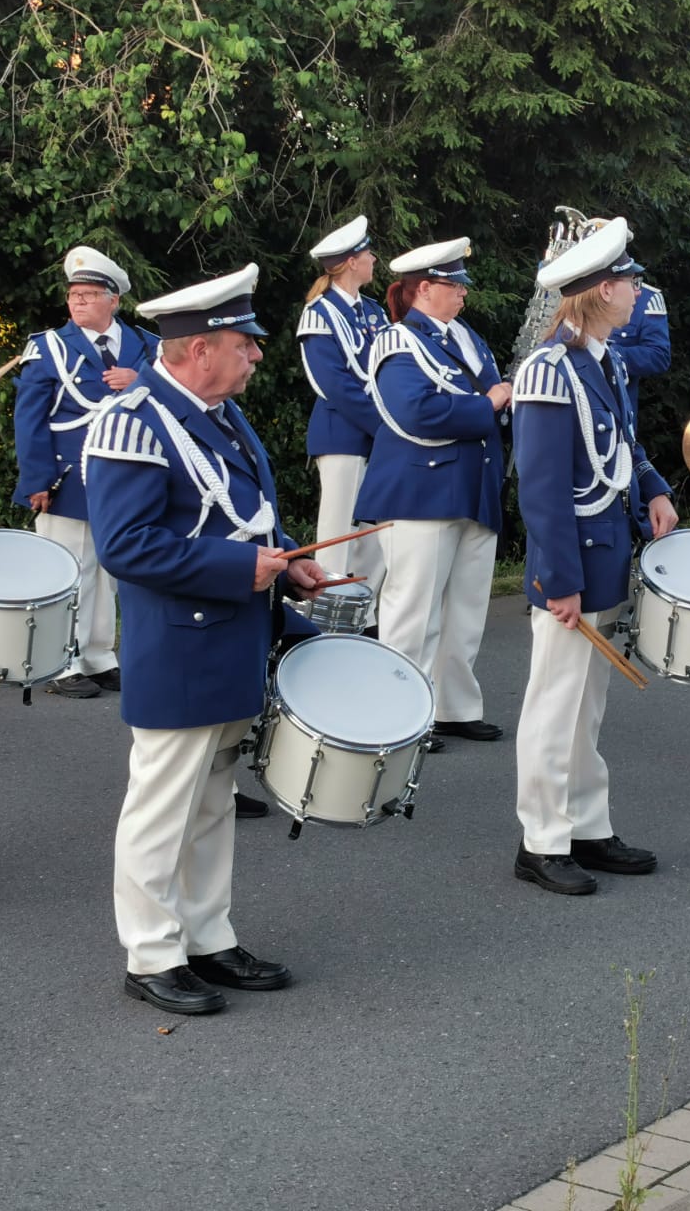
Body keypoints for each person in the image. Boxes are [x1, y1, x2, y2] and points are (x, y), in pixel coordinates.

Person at [84, 263, 327, 1016]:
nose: (257, 357)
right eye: (244, 344)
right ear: (198, 349)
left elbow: (240, 512)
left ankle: (207, 935)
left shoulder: (218, 412)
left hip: (233, 631)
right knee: (163, 802)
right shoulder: (132, 419)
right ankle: (152, 953)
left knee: (215, 798)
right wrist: (241, 566)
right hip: (181, 642)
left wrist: (285, 561)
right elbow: (125, 546)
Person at [510, 218, 677, 895]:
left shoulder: (602, 359)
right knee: (555, 705)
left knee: (588, 706)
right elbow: (544, 489)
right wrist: (559, 581)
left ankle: (585, 824)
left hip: (605, 549)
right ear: (602, 290)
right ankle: (541, 840)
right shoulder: (548, 371)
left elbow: (620, 446)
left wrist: (656, 489)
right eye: (630, 282)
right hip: (572, 561)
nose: (639, 291)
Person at [355, 237, 509, 748]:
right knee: (412, 611)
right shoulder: (396, 341)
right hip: (418, 491)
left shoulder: (467, 338)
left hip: (471, 485)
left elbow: (493, 395)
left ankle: (454, 706)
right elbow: (415, 413)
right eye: (454, 284)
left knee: (466, 608)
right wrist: (486, 406)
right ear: (425, 289)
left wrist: (495, 403)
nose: (463, 293)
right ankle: (401, 713)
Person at [11, 246, 156, 699]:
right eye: (74, 294)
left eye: (90, 294)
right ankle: (60, 662)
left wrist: (142, 382)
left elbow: (175, 398)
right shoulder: (49, 347)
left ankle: (97, 655)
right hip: (65, 476)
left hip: (122, 479)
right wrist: (35, 481)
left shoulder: (145, 347)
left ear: (114, 300)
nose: (78, 302)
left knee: (108, 570)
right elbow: (29, 418)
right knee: (68, 571)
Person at [296, 215, 388, 601]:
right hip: (343, 434)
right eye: (368, 254)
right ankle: (330, 614)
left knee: (376, 534)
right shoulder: (319, 313)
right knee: (338, 534)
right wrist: (384, 424)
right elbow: (332, 384)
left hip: (377, 433)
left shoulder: (374, 312)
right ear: (352, 261)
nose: (374, 260)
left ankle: (362, 616)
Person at [612, 275, 671, 424]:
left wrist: (611, 355)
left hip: (618, 413)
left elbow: (659, 356)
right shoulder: (568, 289)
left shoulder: (646, 297)